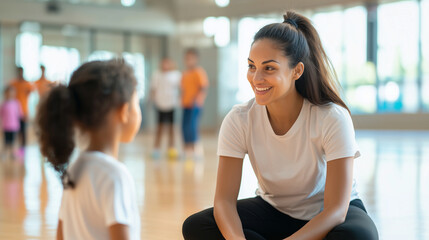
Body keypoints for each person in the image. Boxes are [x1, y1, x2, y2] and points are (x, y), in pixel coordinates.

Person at [182, 11, 378, 240]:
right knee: (197, 226)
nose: (256, 78)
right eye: (251, 66)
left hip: (326, 213)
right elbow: (224, 202)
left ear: (297, 71)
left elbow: (336, 210)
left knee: (358, 236)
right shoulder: (239, 119)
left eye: (269, 68)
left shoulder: (332, 117)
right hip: (273, 211)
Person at [36, 59, 142, 240]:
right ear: (124, 111)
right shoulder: (115, 176)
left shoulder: (74, 170)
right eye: (136, 102)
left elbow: (60, 235)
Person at [149, 58, 181, 159]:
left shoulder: (176, 75)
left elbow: (181, 88)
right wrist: (152, 100)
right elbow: (153, 89)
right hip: (160, 104)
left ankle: (171, 149)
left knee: (172, 128)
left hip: (172, 104)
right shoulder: (157, 75)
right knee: (159, 127)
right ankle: (156, 149)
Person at [181, 48, 209, 160]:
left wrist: (196, 99)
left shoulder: (199, 72)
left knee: (192, 127)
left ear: (196, 59)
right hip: (185, 105)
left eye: (191, 58)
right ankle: (186, 150)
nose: (189, 60)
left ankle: (196, 151)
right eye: (187, 58)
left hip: (195, 105)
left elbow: (203, 87)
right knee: (184, 127)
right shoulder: (185, 73)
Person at [9, 67, 34, 148]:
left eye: (21, 72)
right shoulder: (13, 83)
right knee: (15, 130)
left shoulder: (26, 84)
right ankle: (15, 147)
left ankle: (23, 147)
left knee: (23, 131)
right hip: (14, 111)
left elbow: (32, 90)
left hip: (23, 110)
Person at [0, 86, 23, 160]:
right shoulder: (3, 104)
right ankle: (4, 154)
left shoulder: (16, 103)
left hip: (14, 126)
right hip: (6, 126)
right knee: (6, 141)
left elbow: (20, 114)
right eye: (8, 93)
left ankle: (13, 153)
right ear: (5, 94)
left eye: (11, 93)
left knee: (13, 141)